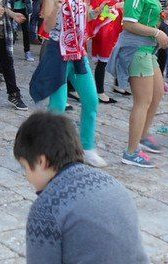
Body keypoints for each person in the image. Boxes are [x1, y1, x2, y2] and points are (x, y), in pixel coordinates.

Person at [14, 112, 148, 264]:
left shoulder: (46, 208)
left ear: (41, 161)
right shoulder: (112, 183)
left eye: (25, 167)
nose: (27, 176)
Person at [29, 0, 106, 167]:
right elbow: (48, 23)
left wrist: (98, 12)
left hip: (78, 51)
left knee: (91, 100)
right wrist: (55, 7)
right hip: (58, 50)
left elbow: (84, 16)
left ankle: (87, 146)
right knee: (58, 105)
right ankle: (51, 151)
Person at [108, 0, 168, 167]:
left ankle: (143, 135)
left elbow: (145, 15)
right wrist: (156, 33)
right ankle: (131, 152)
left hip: (148, 50)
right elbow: (128, 23)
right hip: (137, 50)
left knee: (158, 93)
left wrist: (163, 15)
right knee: (142, 102)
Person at [88, 0, 125, 105]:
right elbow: (101, 6)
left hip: (111, 23)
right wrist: (117, 5)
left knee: (104, 60)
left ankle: (98, 90)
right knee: (102, 61)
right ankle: (99, 91)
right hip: (105, 25)